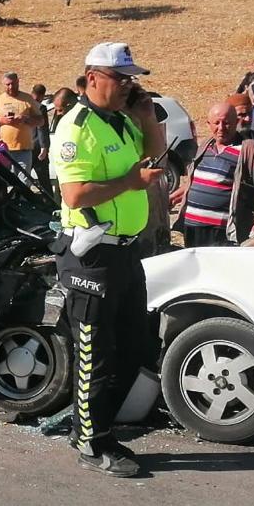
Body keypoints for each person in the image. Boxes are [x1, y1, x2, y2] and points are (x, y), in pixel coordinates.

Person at [51, 42, 165, 478]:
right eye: (121, 79)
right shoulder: (76, 127)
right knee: (94, 355)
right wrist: (130, 181)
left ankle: (94, 426)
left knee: (134, 346)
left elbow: (154, 159)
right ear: (93, 76)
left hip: (125, 252)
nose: (127, 87)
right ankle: (92, 442)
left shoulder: (120, 121)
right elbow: (75, 194)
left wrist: (146, 116)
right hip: (91, 256)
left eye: (132, 79)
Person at [171, 102, 254, 246]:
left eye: (227, 123)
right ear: (208, 124)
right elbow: (199, 181)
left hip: (222, 230)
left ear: (237, 122)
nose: (221, 128)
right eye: (216, 123)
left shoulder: (249, 150)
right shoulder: (205, 146)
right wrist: (175, 197)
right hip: (193, 227)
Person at [0, 71, 44, 178]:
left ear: (18, 82)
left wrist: (25, 119)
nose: (11, 87)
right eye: (8, 84)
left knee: (24, 183)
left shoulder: (27, 99)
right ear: (3, 84)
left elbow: (41, 120)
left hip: (23, 150)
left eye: (13, 83)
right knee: (2, 180)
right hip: (1, 150)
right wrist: (1, 121)